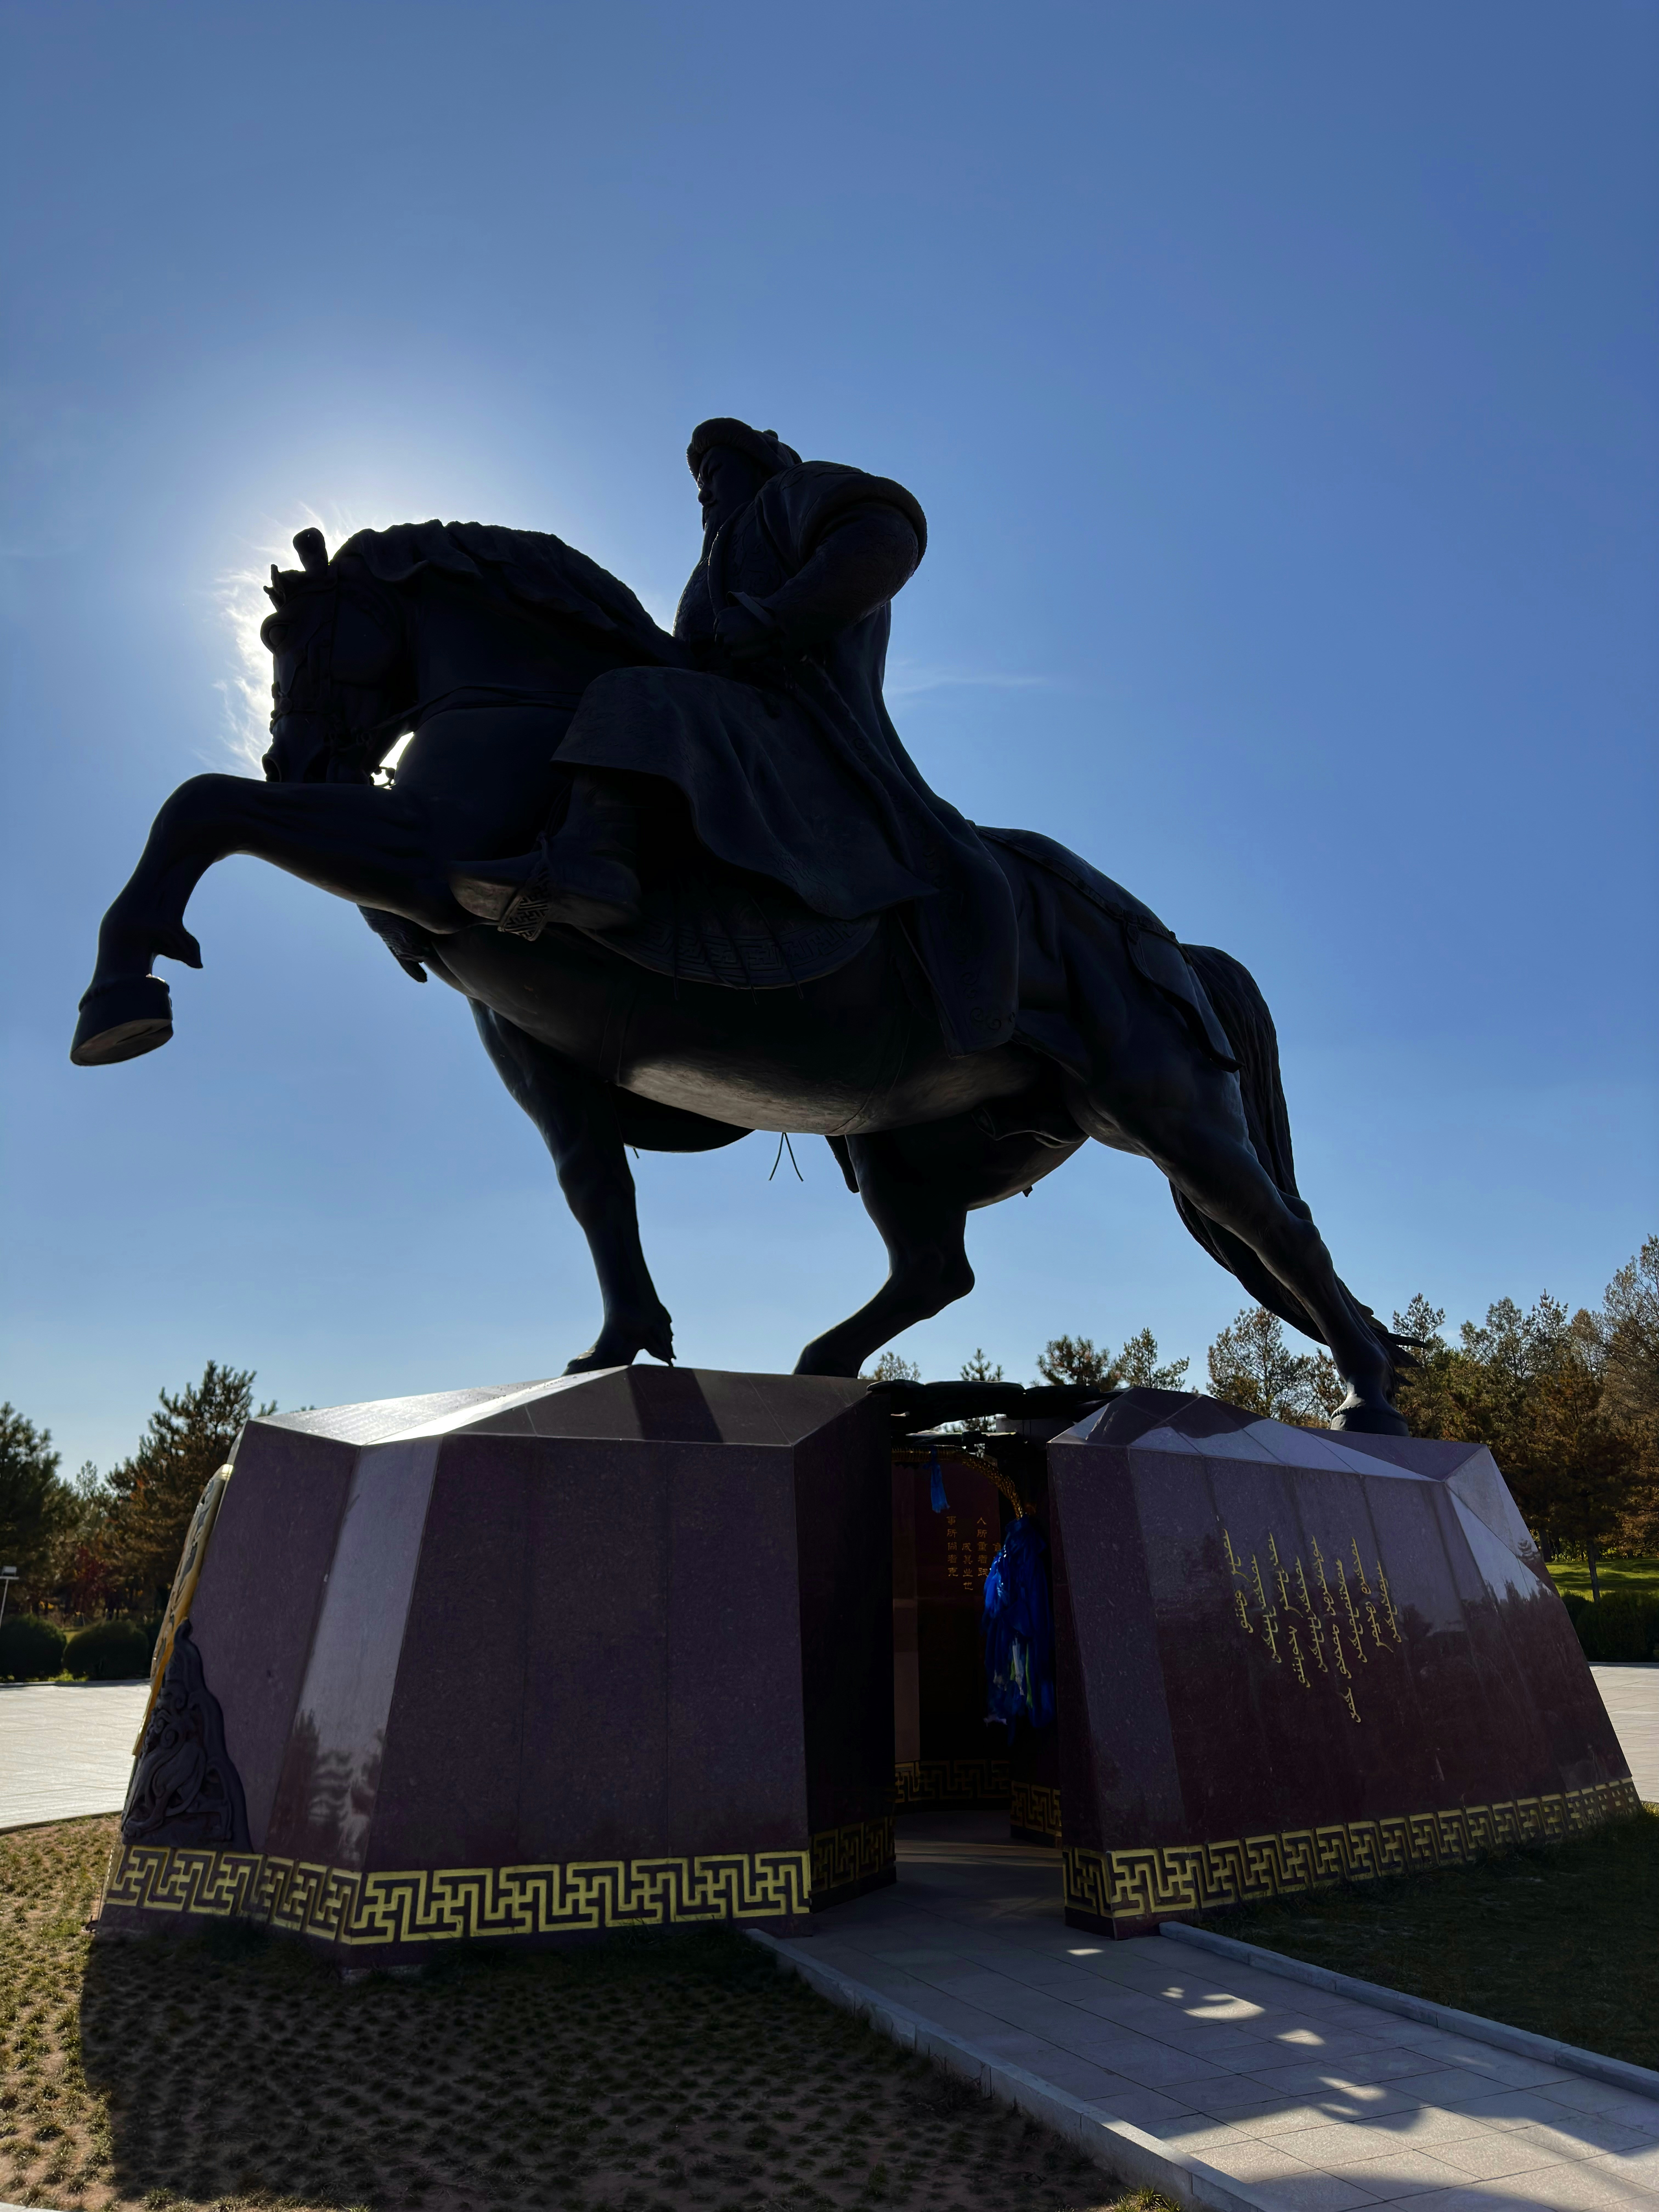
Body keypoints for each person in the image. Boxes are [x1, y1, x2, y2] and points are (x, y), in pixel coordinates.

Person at [450, 418, 1018, 1057]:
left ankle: (598, 868)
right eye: (698, 483)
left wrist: (783, 619)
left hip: (802, 731)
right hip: (731, 730)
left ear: (760, 465)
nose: (704, 493)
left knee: (636, 692)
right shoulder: (714, 562)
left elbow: (884, 532)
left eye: (714, 472)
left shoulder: (794, 493)